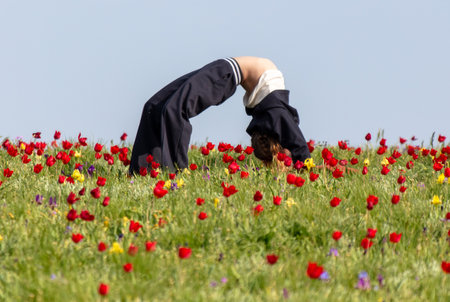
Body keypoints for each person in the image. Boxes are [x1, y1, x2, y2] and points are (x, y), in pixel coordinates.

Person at [129, 56, 310, 174]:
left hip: (226, 70)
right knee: (161, 108)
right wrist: (306, 165)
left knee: (163, 108)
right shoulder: (277, 113)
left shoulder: (270, 114)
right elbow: (296, 140)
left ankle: (154, 172)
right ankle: (161, 171)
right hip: (226, 71)